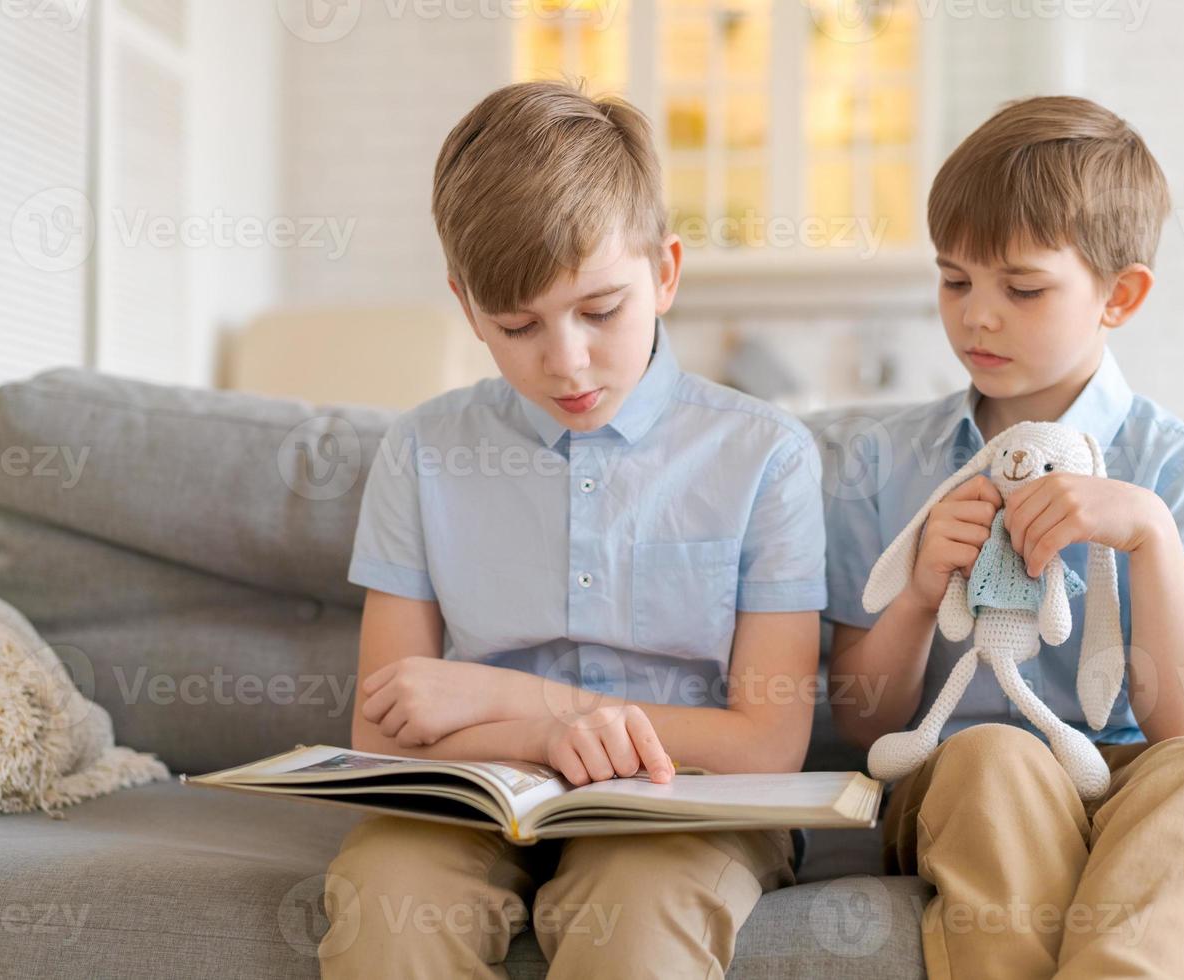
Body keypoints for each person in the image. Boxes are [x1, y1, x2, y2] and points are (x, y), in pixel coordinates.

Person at [318, 80, 828, 979]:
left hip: (685, 807)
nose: (567, 361)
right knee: (387, 903)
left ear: (665, 273)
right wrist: (538, 739)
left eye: (600, 311)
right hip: (475, 795)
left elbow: (765, 742)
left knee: (639, 917)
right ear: (467, 308)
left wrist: (520, 701)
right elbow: (381, 732)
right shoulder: (423, 452)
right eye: (517, 326)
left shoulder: (766, 456)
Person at [823, 95, 1184, 980]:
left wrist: (1146, 534)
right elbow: (861, 721)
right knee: (994, 755)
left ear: (1121, 296)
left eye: (1022, 288)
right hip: (971, 772)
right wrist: (921, 589)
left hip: (1142, 767)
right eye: (954, 280)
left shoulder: (1180, 468)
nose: (976, 316)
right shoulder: (887, 462)